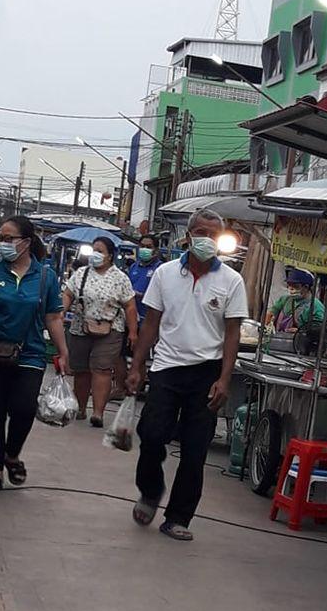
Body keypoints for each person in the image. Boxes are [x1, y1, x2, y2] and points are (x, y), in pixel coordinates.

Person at [126, 209, 248, 542]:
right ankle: (150, 491)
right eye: (201, 233)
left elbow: (233, 332)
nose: (206, 240)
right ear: (188, 235)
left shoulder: (231, 281)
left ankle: (178, 516)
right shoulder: (165, 274)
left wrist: (225, 378)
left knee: (195, 451)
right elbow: (150, 323)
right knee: (151, 435)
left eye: (213, 234)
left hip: (207, 373)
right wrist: (137, 366)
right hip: (166, 367)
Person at [0, 214, 72, 493]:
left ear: (26, 242)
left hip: (30, 354)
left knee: (24, 408)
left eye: (8, 239)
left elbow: (53, 318)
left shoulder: (45, 276)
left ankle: (12, 454)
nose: (2, 243)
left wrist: (63, 352)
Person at [61, 237, 138, 426]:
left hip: (110, 330)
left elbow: (130, 306)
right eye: (93, 249)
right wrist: (61, 312)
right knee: (81, 370)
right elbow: (68, 294)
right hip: (81, 327)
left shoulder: (120, 278)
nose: (95, 254)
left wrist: (133, 332)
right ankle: (80, 408)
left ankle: (98, 412)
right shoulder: (81, 273)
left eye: (100, 251)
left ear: (110, 256)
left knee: (102, 369)